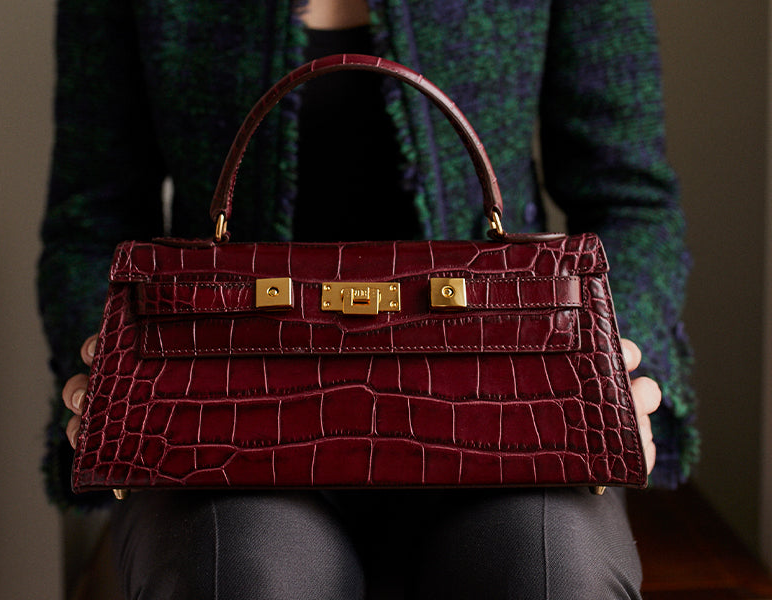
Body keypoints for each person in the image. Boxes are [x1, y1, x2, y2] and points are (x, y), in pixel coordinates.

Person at [39, 1, 695, 598]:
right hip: (219, 418)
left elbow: (631, 203)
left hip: (510, 410)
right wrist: (116, 376)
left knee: (555, 574)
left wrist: (611, 366)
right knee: (238, 576)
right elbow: (91, 221)